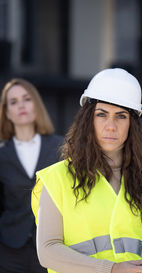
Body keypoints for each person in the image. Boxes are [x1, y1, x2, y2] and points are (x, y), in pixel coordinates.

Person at [32, 68, 142, 273]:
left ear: (132, 124)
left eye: (121, 116)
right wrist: (111, 268)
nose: (111, 126)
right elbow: (48, 251)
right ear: (88, 120)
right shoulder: (56, 179)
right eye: (102, 114)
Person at [0, 78, 63, 273]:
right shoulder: (2, 155)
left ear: (36, 104)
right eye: (13, 102)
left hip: (51, 248)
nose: (21, 105)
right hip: (9, 250)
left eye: (26, 99)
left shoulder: (61, 148)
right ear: (7, 112)